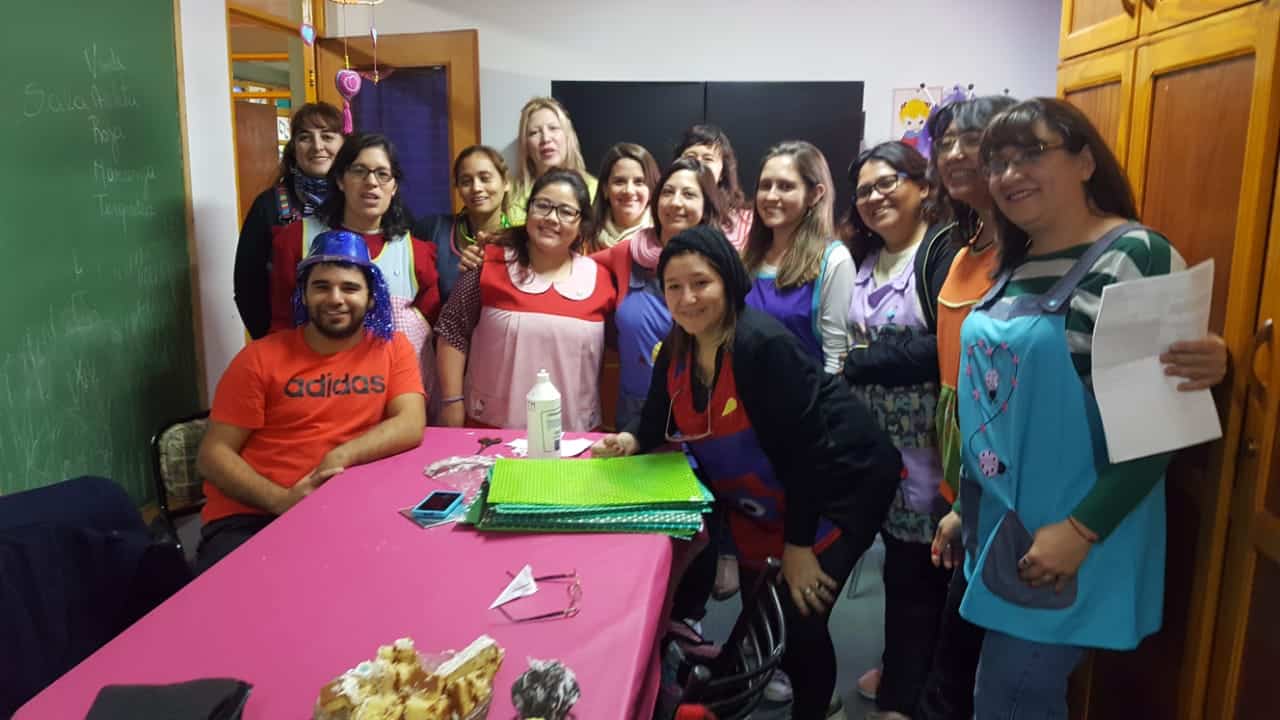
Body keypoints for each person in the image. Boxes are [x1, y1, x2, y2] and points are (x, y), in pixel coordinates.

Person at [917, 96, 1229, 720]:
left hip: (1073, 531)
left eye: (1030, 153)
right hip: (999, 524)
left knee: (1010, 696)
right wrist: (961, 507)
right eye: (997, 161)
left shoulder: (1132, 255)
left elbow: (1158, 425)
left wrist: (1082, 530)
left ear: (1085, 162)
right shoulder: (1017, 260)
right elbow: (993, 401)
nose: (1009, 173)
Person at [591, 225, 903, 720]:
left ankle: (818, 710)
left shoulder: (762, 346)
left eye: (701, 283)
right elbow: (654, 419)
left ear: (728, 281)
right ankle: (815, 693)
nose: (687, 298)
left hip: (842, 481)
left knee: (800, 614)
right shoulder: (677, 347)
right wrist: (629, 440)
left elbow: (806, 452)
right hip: (769, 492)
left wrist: (798, 547)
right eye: (674, 286)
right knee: (767, 608)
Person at [196, 230, 426, 574]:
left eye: (350, 288)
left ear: (371, 297)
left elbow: (410, 423)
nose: (335, 298)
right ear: (304, 294)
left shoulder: (392, 348)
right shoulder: (259, 358)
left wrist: (340, 455)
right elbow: (213, 455)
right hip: (252, 516)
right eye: (321, 287)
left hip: (341, 512)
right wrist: (282, 501)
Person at [842, 141, 955, 720]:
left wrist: (861, 362)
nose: (874, 197)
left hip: (927, 450)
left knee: (919, 572)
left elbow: (944, 346)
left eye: (887, 183)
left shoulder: (939, 251)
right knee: (901, 567)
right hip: (876, 448)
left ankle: (903, 701)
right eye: (864, 190)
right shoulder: (863, 256)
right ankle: (902, 667)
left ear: (923, 186)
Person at [434, 169, 614, 431]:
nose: (551, 218)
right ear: (528, 210)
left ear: (582, 223)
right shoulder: (487, 263)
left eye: (566, 211)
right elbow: (452, 331)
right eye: (543, 205)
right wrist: (452, 402)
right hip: (491, 431)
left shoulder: (601, 279)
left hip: (574, 435)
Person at [268, 133, 442, 385]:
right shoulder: (298, 238)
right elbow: (281, 324)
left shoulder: (415, 252)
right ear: (340, 180)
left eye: (382, 174)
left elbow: (432, 329)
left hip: (394, 387)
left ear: (394, 187)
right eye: (359, 171)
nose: (371, 182)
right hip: (314, 383)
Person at [593, 157, 725, 429]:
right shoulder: (628, 253)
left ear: (706, 205)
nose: (675, 202)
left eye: (689, 194)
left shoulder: (722, 263)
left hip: (702, 412)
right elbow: (570, 265)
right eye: (668, 192)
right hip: (635, 414)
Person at [234, 101, 344, 339]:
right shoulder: (269, 206)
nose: (317, 146)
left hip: (356, 343)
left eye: (327, 136)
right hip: (289, 342)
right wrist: (272, 343)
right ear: (294, 148)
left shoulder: (360, 200)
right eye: (305, 137)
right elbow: (247, 288)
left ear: (344, 144)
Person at [743, 140, 854, 375]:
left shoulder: (834, 260)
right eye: (765, 186)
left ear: (815, 194)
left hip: (807, 394)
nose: (771, 196)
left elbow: (836, 358)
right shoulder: (749, 259)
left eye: (785, 186)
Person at [412, 145, 512, 301]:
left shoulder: (520, 241)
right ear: (457, 188)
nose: (476, 188)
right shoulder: (433, 230)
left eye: (485, 178)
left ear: (506, 182)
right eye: (466, 182)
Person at [508, 97, 598, 225]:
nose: (545, 139)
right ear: (525, 145)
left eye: (553, 128)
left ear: (568, 136)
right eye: (534, 132)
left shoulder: (596, 191)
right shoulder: (510, 195)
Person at [675, 124, 753, 250]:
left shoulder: (746, 221)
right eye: (690, 157)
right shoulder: (666, 210)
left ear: (722, 173)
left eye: (708, 159)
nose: (698, 163)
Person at [589, 142, 660, 251]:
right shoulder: (584, 239)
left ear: (651, 190)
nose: (629, 191)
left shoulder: (663, 239)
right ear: (605, 189)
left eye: (639, 182)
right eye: (619, 181)